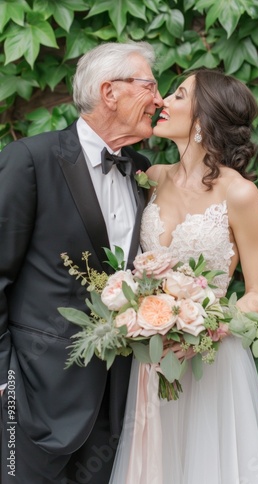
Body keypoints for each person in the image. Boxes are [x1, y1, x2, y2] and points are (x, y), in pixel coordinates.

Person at [0, 41, 163, 483]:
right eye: (150, 85)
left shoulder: (142, 169)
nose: (160, 99)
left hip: (116, 402)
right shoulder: (29, 161)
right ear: (110, 92)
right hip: (32, 397)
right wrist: (5, 384)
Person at [109, 69, 258, 483]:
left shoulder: (239, 194)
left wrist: (205, 328)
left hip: (210, 360)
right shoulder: (150, 178)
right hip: (153, 360)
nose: (163, 100)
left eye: (179, 95)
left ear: (202, 120)